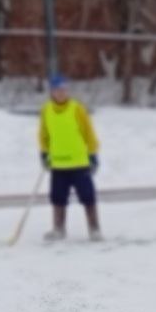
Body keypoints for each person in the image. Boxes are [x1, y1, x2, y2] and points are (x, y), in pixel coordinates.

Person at [38, 74, 102, 242]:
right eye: (57, 90)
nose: (61, 93)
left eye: (64, 89)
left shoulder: (77, 109)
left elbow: (89, 132)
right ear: (52, 92)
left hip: (79, 162)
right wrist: (44, 153)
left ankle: (94, 229)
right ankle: (59, 228)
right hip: (58, 164)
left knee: (88, 196)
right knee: (58, 197)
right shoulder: (47, 110)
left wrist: (93, 154)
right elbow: (43, 135)